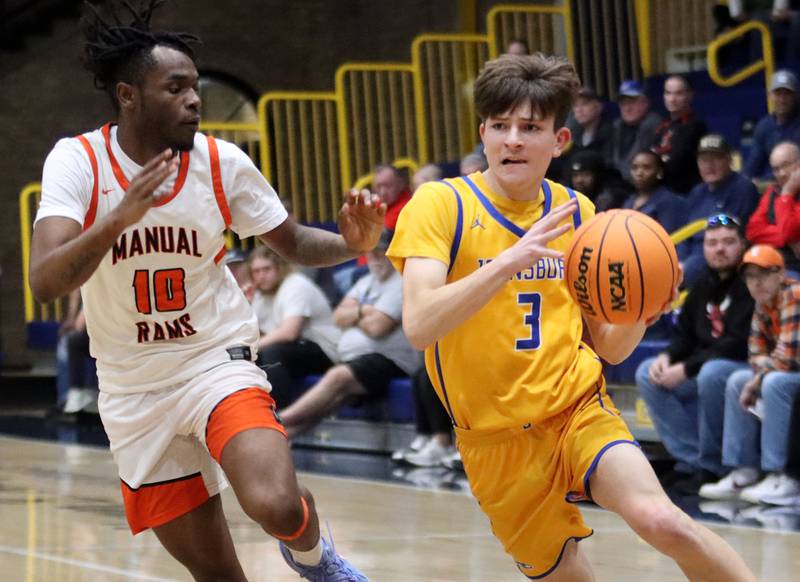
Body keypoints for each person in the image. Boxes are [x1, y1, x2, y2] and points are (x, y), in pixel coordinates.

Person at [28, 3, 381, 580]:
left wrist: (350, 241)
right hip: (133, 385)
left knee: (275, 504)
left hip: (214, 359)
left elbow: (290, 240)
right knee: (218, 572)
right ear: (128, 95)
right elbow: (45, 281)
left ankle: (318, 558)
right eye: (176, 87)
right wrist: (117, 219)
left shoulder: (221, 162)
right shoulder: (79, 161)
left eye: (196, 86)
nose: (196, 98)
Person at [387, 52, 755, 581]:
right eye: (500, 126)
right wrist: (510, 261)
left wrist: (641, 308)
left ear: (559, 140)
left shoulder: (580, 214)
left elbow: (610, 347)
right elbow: (420, 324)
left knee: (663, 521)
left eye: (530, 127)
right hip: (495, 440)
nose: (513, 139)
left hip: (575, 408)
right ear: (483, 133)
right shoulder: (440, 204)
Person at [636, 215, 754, 493]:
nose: (719, 249)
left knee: (711, 374)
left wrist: (687, 369)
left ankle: (713, 467)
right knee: (647, 372)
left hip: (741, 367)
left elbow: (737, 342)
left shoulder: (750, 283)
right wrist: (668, 357)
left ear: (742, 245)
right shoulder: (702, 285)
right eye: (712, 243)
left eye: (728, 242)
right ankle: (690, 460)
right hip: (702, 366)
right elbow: (684, 336)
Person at [278, 230, 417, 436]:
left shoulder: (400, 282)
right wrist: (364, 312)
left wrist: (353, 316)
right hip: (363, 359)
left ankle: (277, 422)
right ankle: (284, 436)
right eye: (371, 253)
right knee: (335, 397)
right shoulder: (366, 282)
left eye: (381, 252)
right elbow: (338, 316)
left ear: (393, 254)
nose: (375, 258)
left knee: (338, 377)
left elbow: (378, 327)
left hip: (394, 360)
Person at [700, 245, 800, 504]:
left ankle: (780, 475)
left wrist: (759, 378)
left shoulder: (794, 295)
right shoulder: (762, 303)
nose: (757, 283)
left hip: (789, 372)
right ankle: (743, 470)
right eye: (751, 277)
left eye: (764, 275)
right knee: (737, 380)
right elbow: (755, 354)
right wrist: (758, 376)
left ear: (781, 274)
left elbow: (788, 358)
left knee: (774, 383)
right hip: (784, 370)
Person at [248, 246, 340, 409]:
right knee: (249, 358)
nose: (261, 276)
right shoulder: (261, 295)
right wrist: (245, 303)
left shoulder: (296, 285)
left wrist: (250, 348)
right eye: (256, 271)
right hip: (297, 349)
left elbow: (289, 332)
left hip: (326, 350)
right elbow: (252, 332)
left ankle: (277, 414)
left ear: (279, 268)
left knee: (273, 352)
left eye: (266, 269)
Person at [679, 134, 760, 288]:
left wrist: (685, 266)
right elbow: (685, 236)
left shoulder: (743, 188)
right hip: (691, 260)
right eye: (703, 160)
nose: (709, 165)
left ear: (729, 160)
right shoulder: (697, 192)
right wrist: (679, 261)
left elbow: (736, 235)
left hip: (719, 257)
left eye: (716, 158)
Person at [745, 141, 800, 274]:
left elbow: (789, 230)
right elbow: (753, 231)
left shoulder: (783, 191)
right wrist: (789, 239)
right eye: (776, 169)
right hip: (775, 263)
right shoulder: (772, 192)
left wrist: (787, 193)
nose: (781, 173)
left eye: (786, 165)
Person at [652, 75, 707, 194]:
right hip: (661, 190)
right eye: (668, 93)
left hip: (684, 192)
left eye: (678, 93)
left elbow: (677, 163)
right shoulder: (663, 125)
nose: (672, 99)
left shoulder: (696, 126)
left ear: (690, 95)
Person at [743, 70, 800, 181]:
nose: (782, 99)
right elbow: (752, 168)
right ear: (770, 96)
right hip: (774, 185)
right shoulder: (765, 126)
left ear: (796, 96)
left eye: (787, 94)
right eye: (778, 93)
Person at [608, 80, 662, 183]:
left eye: (632, 102)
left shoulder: (653, 124)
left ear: (645, 103)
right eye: (623, 104)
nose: (627, 108)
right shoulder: (616, 126)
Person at [622, 150, 684, 234]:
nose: (639, 173)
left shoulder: (668, 201)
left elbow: (668, 236)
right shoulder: (629, 201)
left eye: (646, 168)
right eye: (635, 168)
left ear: (659, 173)